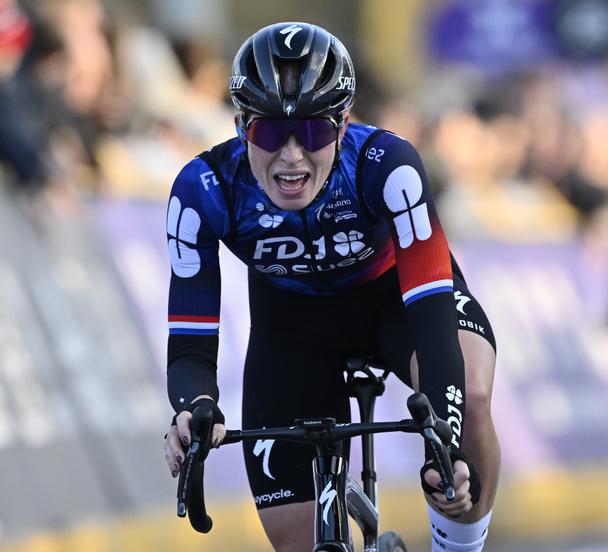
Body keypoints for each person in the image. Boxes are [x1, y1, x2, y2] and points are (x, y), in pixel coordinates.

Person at [162, 22, 499, 552]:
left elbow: (432, 317)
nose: (292, 156)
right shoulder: (203, 191)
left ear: (343, 125)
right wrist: (192, 407)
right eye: (270, 133)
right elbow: (189, 342)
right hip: (291, 328)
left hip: (397, 303)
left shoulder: (388, 166)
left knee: (472, 393)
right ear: (240, 125)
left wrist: (447, 447)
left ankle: (459, 547)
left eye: (314, 133)